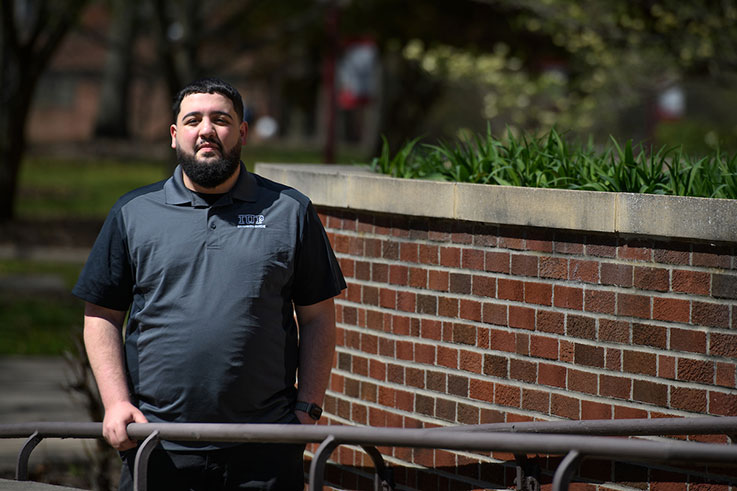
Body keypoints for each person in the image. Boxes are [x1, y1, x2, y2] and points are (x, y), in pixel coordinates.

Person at [73, 78, 346, 490]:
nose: (206, 130)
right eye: (193, 120)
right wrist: (115, 404)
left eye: (221, 119)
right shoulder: (133, 213)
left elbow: (318, 318)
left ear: (242, 132)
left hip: (266, 447)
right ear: (174, 135)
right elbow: (101, 317)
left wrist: (307, 409)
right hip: (157, 443)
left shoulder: (290, 212)